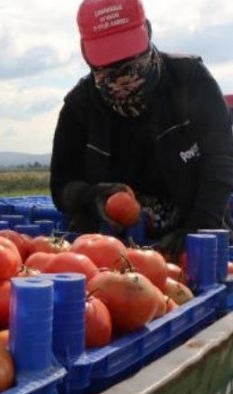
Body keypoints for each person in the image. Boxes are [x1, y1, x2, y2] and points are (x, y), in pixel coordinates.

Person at [50, 0, 233, 261]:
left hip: (193, 228)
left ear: (147, 31)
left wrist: (197, 231)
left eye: (131, 59)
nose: (123, 76)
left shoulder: (190, 81)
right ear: (85, 53)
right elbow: (62, 187)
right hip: (108, 251)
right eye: (109, 66)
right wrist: (94, 196)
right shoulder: (79, 108)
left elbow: (221, 163)